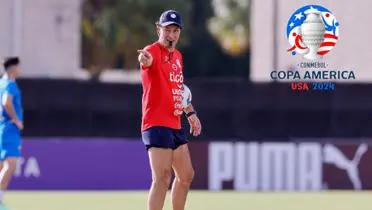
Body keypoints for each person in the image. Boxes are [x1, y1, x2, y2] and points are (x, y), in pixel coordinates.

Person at [138, 10, 202, 210]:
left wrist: (190, 113)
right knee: (162, 177)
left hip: (174, 123)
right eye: (167, 30)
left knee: (186, 175)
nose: (171, 35)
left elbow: (179, 89)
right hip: (156, 123)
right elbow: (146, 61)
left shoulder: (178, 57)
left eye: (175, 31)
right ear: (159, 29)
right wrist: (145, 61)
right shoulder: (153, 51)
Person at [0, 57, 24, 206]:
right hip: (9, 129)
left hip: (1, 128)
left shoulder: (1, 83)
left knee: (2, 165)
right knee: (11, 165)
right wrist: (15, 119)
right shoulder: (10, 84)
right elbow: (6, 101)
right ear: (14, 68)